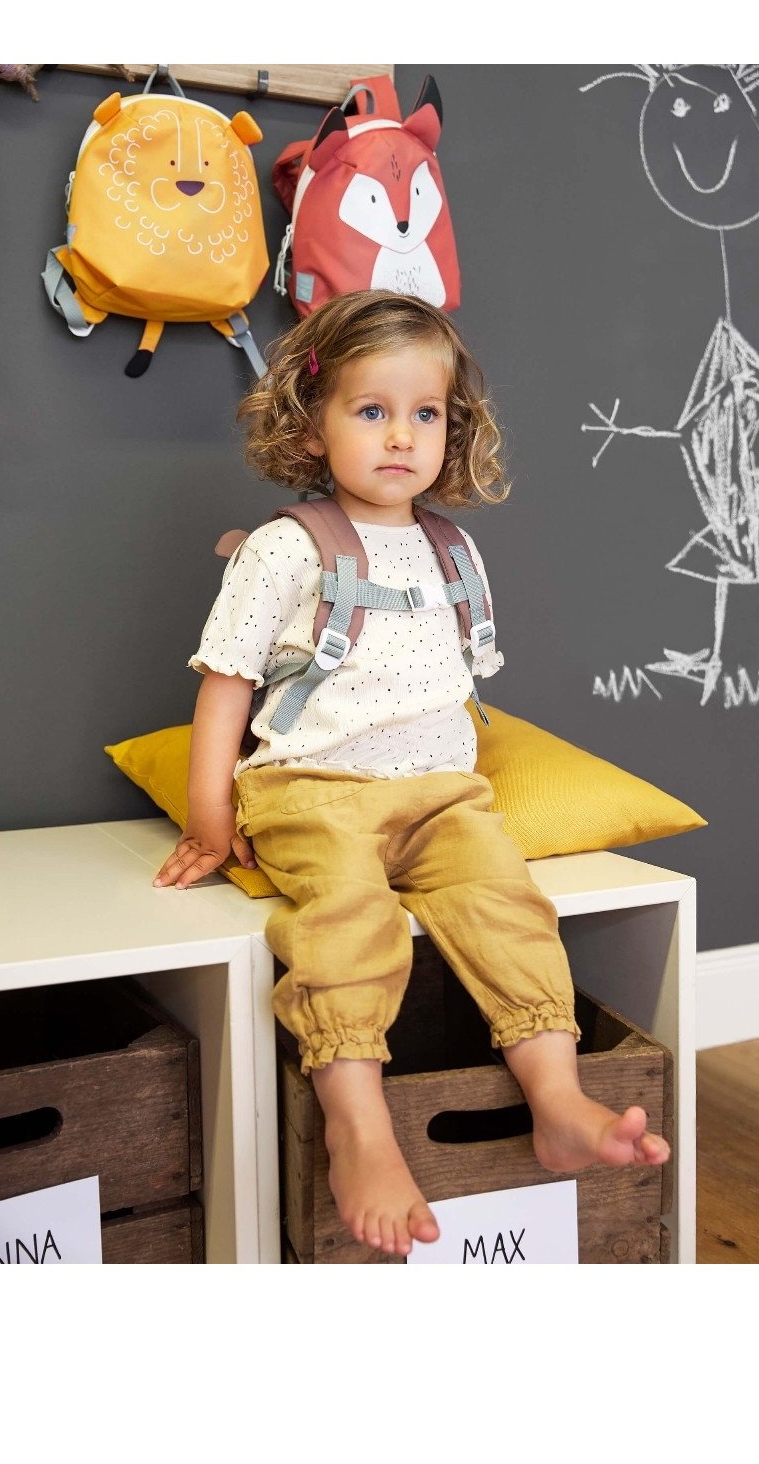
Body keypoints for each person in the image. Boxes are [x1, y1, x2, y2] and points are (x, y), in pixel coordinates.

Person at [154, 289, 670, 1256]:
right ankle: (357, 1125)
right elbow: (225, 686)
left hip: (442, 797)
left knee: (510, 906)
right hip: (317, 791)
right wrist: (210, 817)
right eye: (371, 410)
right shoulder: (284, 548)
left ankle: (558, 1095)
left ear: (453, 427)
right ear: (312, 424)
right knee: (350, 922)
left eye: (425, 413)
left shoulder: (453, 549)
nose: (402, 436)